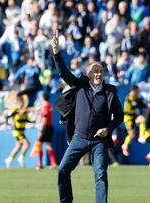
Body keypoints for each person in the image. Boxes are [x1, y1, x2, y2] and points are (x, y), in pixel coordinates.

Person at [51, 31, 123, 203]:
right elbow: (63, 73)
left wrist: (108, 129)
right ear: (88, 74)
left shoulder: (110, 92)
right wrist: (56, 52)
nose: (98, 74)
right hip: (79, 138)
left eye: (101, 71)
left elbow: (119, 116)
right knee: (62, 170)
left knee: (101, 173)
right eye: (95, 71)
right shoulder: (81, 85)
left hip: (99, 140)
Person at [4, 95, 33, 168]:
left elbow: (26, 120)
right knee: (27, 144)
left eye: (23, 102)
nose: (22, 104)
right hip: (17, 131)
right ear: (18, 103)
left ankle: (9, 159)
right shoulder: (15, 110)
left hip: (22, 132)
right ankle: (21, 158)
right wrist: (8, 124)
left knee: (19, 146)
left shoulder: (24, 111)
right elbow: (7, 117)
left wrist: (32, 121)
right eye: (21, 102)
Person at [30, 92, 57, 170]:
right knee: (48, 145)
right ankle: (53, 163)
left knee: (39, 144)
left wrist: (41, 129)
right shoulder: (49, 105)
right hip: (50, 127)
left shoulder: (45, 106)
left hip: (45, 127)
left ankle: (40, 164)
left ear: (42, 98)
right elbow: (38, 109)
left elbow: (44, 118)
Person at [121, 85, 146, 156]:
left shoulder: (136, 97)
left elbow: (141, 104)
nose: (138, 92)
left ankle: (141, 136)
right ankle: (125, 145)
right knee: (131, 135)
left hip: (134, 117)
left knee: (142, 119)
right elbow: (134, 105)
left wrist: (147, 105)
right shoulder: (129, 98)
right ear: (133, 91)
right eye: (137, 91)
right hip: (128, 118)